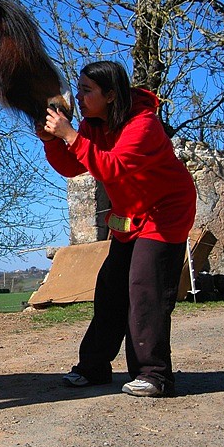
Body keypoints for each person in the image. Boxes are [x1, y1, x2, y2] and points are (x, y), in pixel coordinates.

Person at [37, 60, 196, 397]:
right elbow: (72, 165)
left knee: (145, 288)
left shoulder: (144, 125)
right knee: (110, 288)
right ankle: (94, 368)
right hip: (130, 213)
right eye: (78, 89)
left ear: (110, 95)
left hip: (165, 212)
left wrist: (69, 134)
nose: (78, 97)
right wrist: (52, 140)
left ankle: (154, 375)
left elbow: (114, 167)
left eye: (86, 91)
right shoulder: (93, 125)